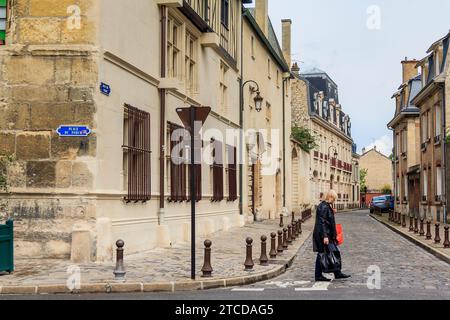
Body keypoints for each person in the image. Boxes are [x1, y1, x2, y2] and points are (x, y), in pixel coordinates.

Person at [313, 190, 351, 282]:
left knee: (334, 252)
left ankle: (337, 272)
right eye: (334, 198)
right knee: (321, 254)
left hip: (328, 234)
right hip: (323, 235)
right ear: (330, 197)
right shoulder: (324, 207)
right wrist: (325, 236)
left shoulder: (326, 206)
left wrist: (332, 211)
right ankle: (318, 275)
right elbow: (322, 222)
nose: (334, 201)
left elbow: (326, 219)